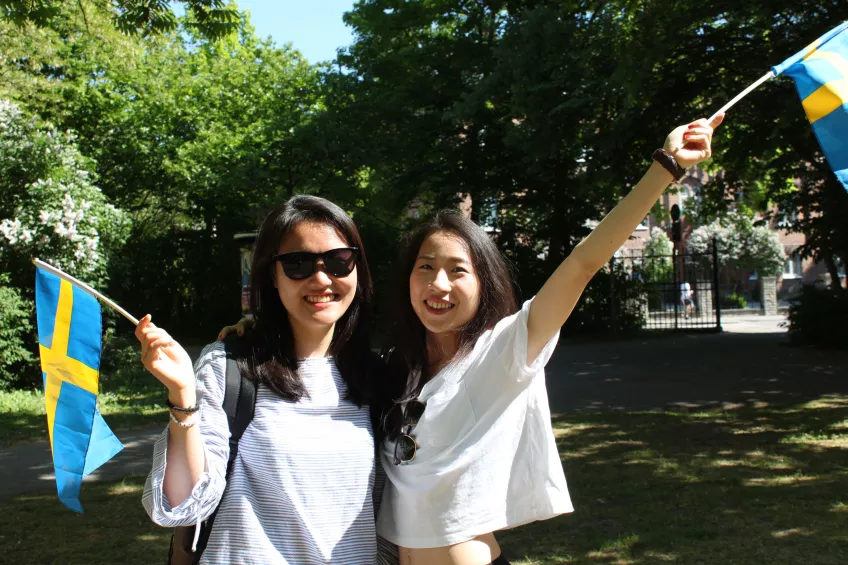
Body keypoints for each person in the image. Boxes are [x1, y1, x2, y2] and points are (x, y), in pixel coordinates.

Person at [222, 115, 723, 565]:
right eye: (425, 268)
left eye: (457, 271)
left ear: (483, 283)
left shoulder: (506, 351)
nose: (439, 285)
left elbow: (584, 262)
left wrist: (664, 169)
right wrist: (255, 334)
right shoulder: (392, 370)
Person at [135, 195, 386, 564]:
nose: (321, 277)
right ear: (272, 274)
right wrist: (182, 396)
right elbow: (181, 506)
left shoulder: (381, 377)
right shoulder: (231, 365)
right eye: (298, 263)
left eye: (338, 260)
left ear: (357, 269)